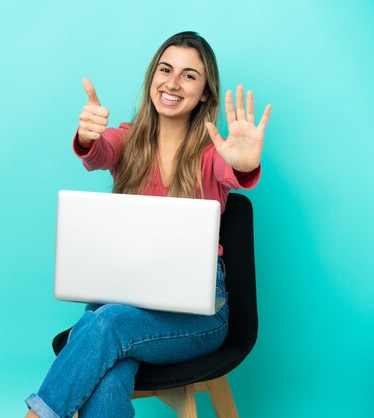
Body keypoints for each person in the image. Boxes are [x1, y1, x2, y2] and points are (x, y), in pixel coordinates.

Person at [25, 31, 271, 418]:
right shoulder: (128, 139)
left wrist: (243, 160)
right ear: (152, 77)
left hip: (200, 313)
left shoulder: (213, 155)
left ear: (205, 93)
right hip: (123, 300)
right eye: (165, 69)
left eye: (189, 76)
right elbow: (99, 151)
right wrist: (87, 137)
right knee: (107, 371)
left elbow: (234, 170)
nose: (172, 83)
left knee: (103, 325)